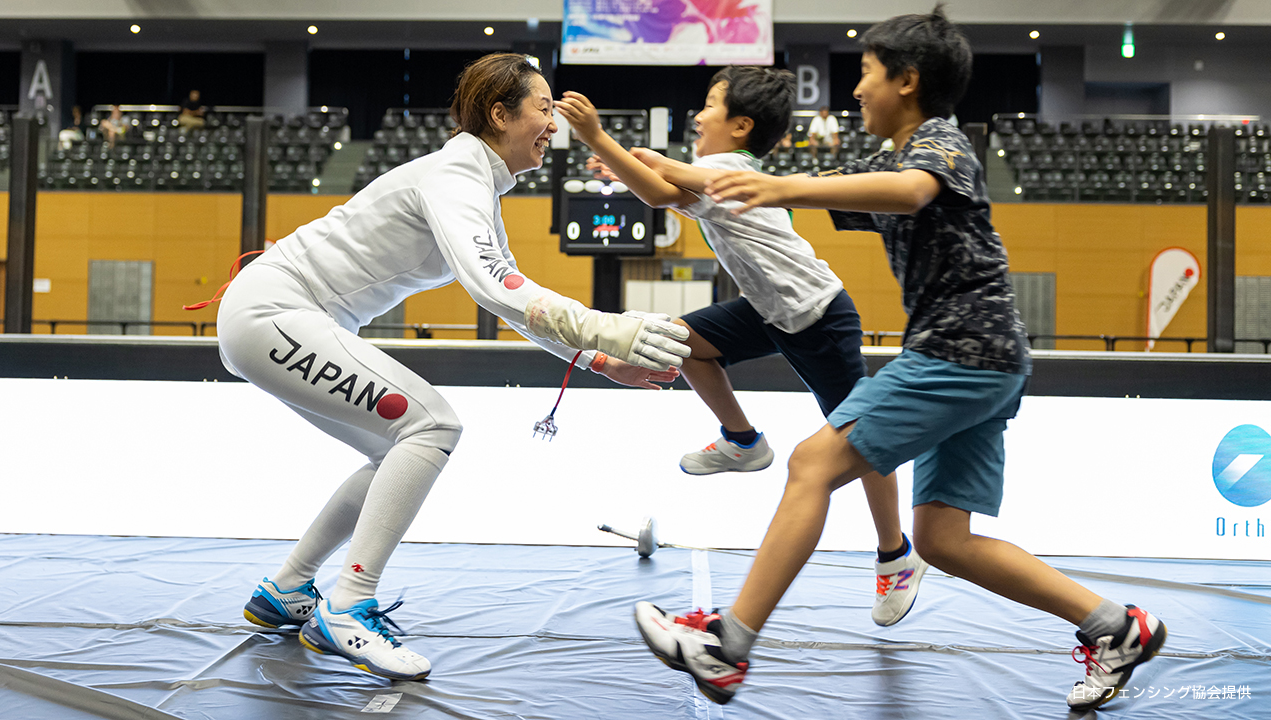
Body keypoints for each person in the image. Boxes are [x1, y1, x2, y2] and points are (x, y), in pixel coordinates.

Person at [633, 5, 1166, 711]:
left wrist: (782, 185)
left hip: (958, 350)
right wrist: (680, 167)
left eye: (866, 74)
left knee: (811, 464)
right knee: (944, 540)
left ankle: (728, 648)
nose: (855, 91)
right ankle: (1117, 627)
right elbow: (770, 191)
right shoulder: (886, 159)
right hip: (993, 359)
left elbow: (913, 191)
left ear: (908, 81)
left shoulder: (940, 145)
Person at [215, 52, 690, 681]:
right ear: (500, 114)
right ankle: (350, 608)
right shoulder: (456, 172)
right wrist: (617, 329)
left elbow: (512, 300)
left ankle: (288, 589)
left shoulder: (475, 186)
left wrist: (599, 359)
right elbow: (498, 289)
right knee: (431, 427)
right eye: (544, 109)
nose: (554, 124)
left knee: (395, 451)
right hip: (273, 313)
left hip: (276, 319)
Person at [557, 66, 926, 634]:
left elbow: (659, 191)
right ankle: (742, 441)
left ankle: (895, 554)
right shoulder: (726, 166)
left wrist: (598, 137)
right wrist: (624, 163)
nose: (698, 115)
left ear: (741, 124)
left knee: (864, 437)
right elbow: (662, 180)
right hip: (769, 311)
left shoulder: (723, 168)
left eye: (709, 105)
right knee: (683, 344)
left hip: (817, 316)